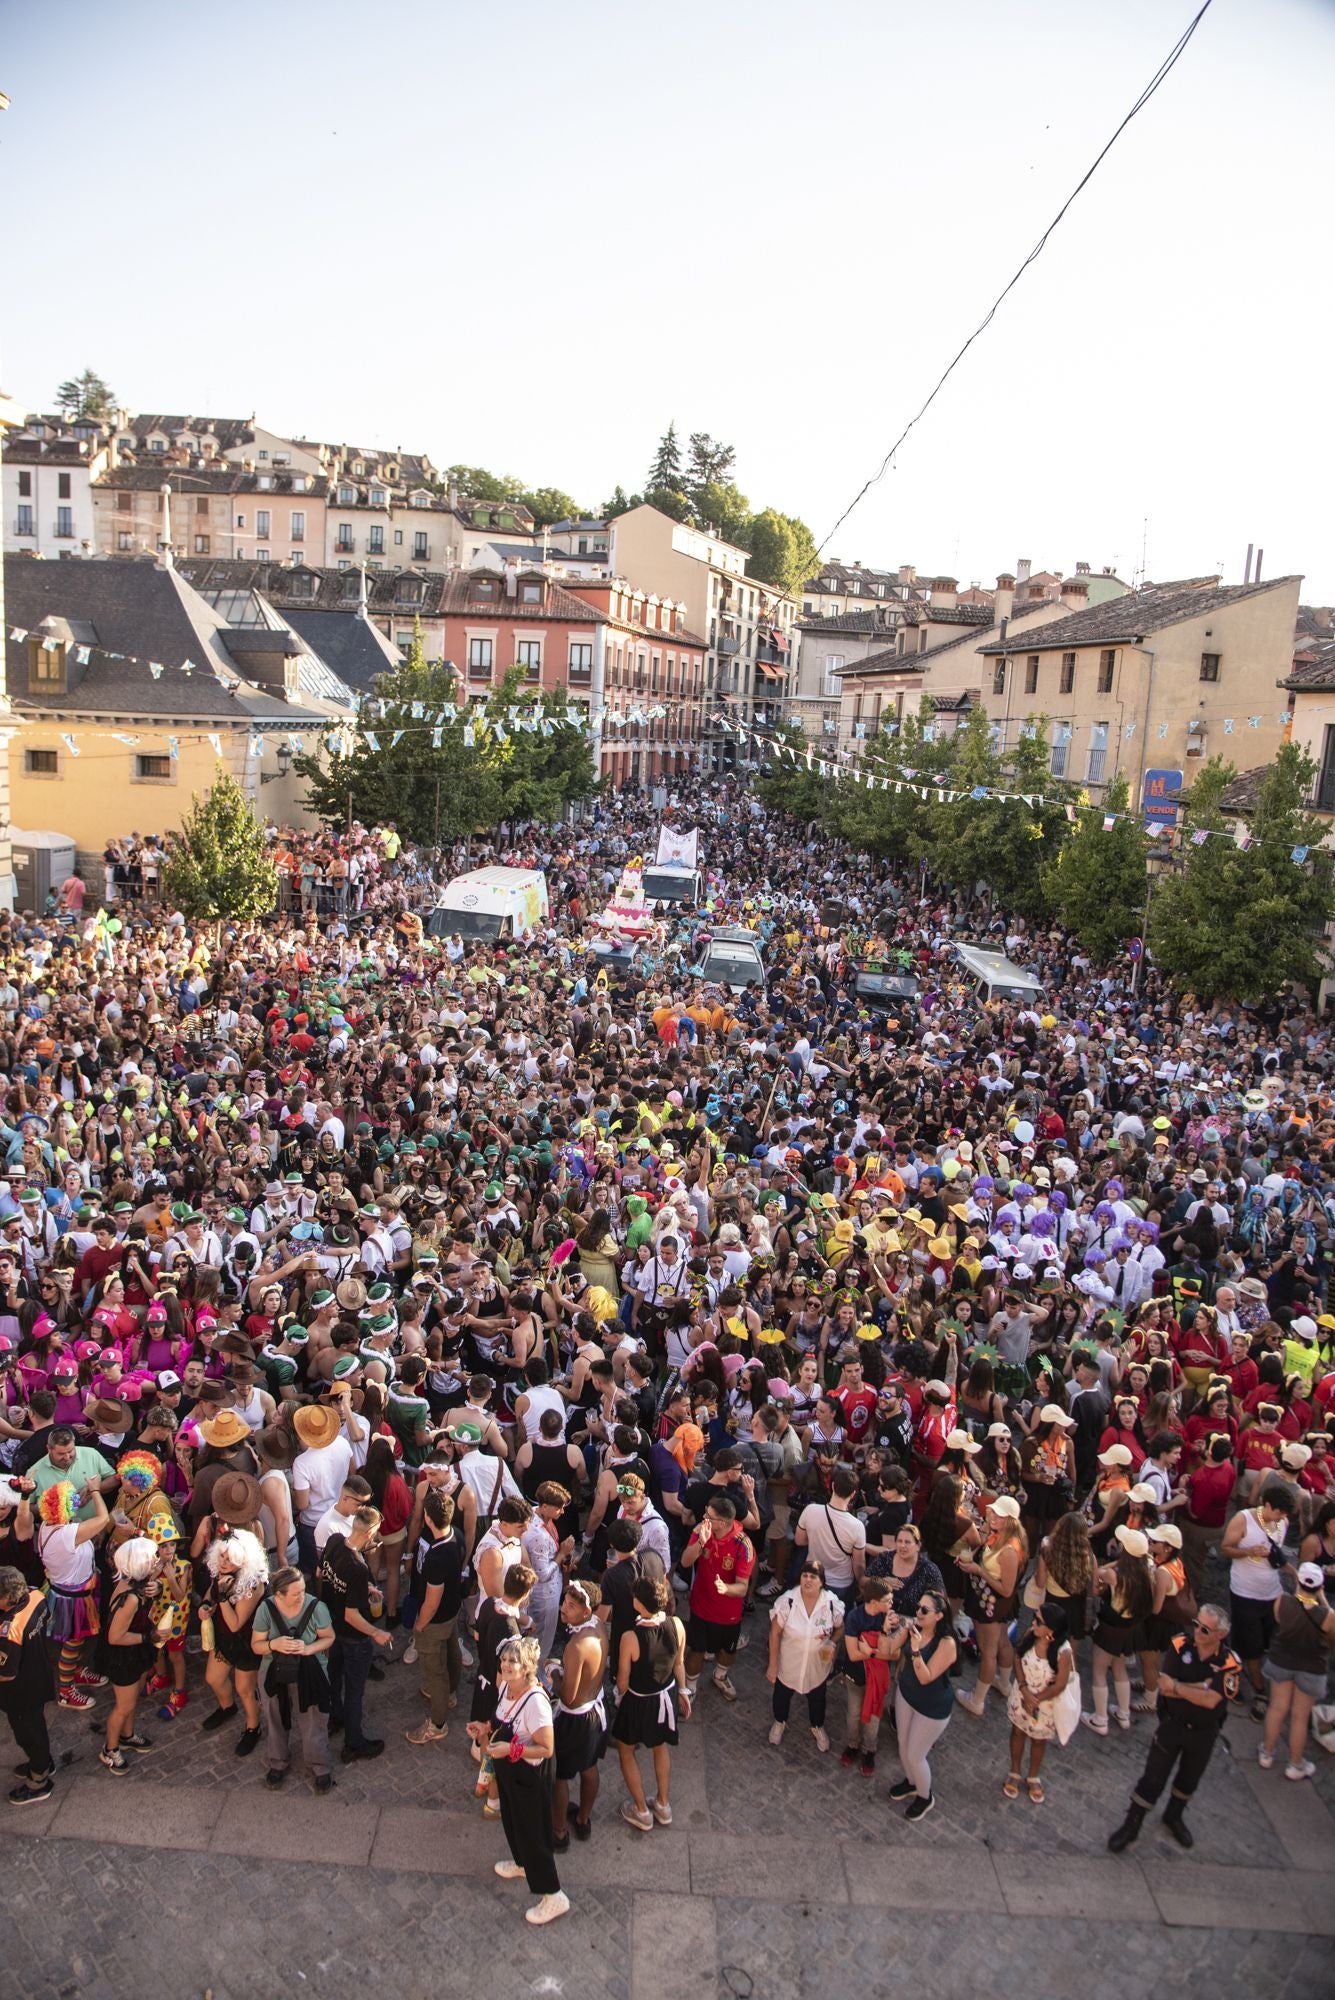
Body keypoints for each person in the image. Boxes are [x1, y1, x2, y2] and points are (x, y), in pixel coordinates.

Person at [1107, 1603, 1242, 1851]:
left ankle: (1174, 1815)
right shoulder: (1181, 1645)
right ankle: (1131, 1825)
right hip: (1173, 1725)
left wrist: (1182, 1688)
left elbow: (1213, 1700)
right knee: (1152, 1778)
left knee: (1189, 1778)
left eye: (1205, 1629)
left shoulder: (1229, 1663)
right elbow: (1165, 1685)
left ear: (1220, 1635)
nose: (1198, 1632)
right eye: (1196, 1625)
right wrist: (1201, 1687)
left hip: (1204, 1732)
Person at [486, 1634, 569, 1927]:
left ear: (527, 1667)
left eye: (513, 1661)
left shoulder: (536, 1703)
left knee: (534, 1832)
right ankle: (522, 1863)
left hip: (529, 1775)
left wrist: (511, 1749)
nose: (506, 1665)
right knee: (512, 1819)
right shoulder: (506, 1687)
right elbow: (501, 1721)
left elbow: (546, 1748)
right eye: (505, 1659)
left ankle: (553, 1895)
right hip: (510, 1770)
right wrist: (483, 1728)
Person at [611, 1570, 689, 1829]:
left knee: (626, 1751)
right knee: (660, 1746)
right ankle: (663, 1804)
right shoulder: (677, 1625)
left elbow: (623, 1679)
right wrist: (683, 1692)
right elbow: (679, 1664)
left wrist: (618, 1698)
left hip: (637, 1701)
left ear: (638, 1604)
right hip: (664, 1698)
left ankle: (642, 1810)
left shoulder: (630, 1638)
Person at [316, 1504, 393, 1761]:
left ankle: (334, 1719)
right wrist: (376, 1633)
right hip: (353, 1636)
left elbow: (320, 1573)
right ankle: (354, 1742)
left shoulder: (336, 1541)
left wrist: (364, 1589)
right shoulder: (358, 1569)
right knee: (354, 1690)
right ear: (370, 1533)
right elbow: (353, 1615)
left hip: (332, 1627)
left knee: (334, 1677)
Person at [252, 1563, 337, 1791]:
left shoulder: (316, 1607)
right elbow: (256, 1645)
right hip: (273, 1671)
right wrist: (274, 1644)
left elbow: (329, 1637)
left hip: (310, 1672)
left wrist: (308, 1649)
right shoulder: (266, 1609)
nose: (303, 1596)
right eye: (296, 1593)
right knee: (274, 1716)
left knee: (313, 1719)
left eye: (303, 1590)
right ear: (279, 1594)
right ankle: (277, 1761)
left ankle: (320, 1766)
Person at [1221, 1487, 1299, 1717]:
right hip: (1245, 1593)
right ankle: (1258, 1689)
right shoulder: (1242, 1519)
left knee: (1264, 1642)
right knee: (1249, 1645)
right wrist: (1248, 1551)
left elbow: (1276, 1558)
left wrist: (1294, 1573)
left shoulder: (1281, 1524)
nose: (1283, 1519)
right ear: (1267, 1506)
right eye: (1280, 1513)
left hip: (1271, 1593)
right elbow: (1225, 1548)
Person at [880, 1589, 957, 1822]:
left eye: (925, 1610)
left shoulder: (947, 1643)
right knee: (903, 1743)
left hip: (932, 1707)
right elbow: (887, 1651)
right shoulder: (912, 1627)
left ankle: (925, 1796)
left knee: (916, 1754)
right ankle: (911, 1782)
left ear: (939, 1616)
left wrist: (914, 1650)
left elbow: (926, 1677)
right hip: (906, 1694)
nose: (918, 1613)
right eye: (918, 1608)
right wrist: (886, 1630)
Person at [1258, 1560, 1335, 1781]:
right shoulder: (1328, 1615)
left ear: (1298, 1581)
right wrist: (1321, 1598)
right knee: (1300, 1717)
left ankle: (1267, 1753)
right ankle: (1295, 1763)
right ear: (1320, 1586)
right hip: (1312, 1667)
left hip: (1282, 1660)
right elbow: (1331, 1636)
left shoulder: (1282, 1601)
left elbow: (1279, 1621)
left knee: (1277, 1707)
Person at [549, 1578, 609, 1847]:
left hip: (575, 1720)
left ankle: (559, 1832)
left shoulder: (576, 1646)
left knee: (560, 1776)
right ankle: (583, 1820)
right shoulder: (598, 1625)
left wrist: (554, 1674)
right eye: (564, 1602)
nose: (564, 1609)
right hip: (596, 1710)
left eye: (571, 1606)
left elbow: (569, 1698)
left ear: (586, 1611)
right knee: (589, 1766)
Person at [199, 1527, 268, 1757]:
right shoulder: (221, 1572)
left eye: (230, 1558)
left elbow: (237, 1623)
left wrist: (222, 1598)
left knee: (245, 1689)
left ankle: (253, 1727)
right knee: (213, 1678)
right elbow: (210, 1592)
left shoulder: (254, 1583)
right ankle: (227, 1708)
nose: (224, 1562)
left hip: (246, 1641)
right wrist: (206, 1605)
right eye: (221, 1556)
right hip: (223, 1636)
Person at [680, 1493, 755, 1705]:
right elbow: (685, 1562)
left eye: (709, 1515)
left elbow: (742, 1588)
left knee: (727, 1650)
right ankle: (690, 1686)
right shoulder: (702, 1532)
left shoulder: (743, 1545)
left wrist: (726, 1588)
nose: (704, 1517)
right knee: (696, 1650)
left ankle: (720, 1676)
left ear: (721, 1523)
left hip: (728, 1614)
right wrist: (700, 1543)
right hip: (701, 1606)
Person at [405, 1488, 465, 1747]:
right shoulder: (458, 1536)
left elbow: (431, 1599)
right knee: (452, 1651)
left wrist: (420, 1624)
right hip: (453, 1610)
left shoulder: (437, 1556)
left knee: (434, 1671)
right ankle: (451, 1694)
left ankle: (437, 1723)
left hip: (437, 1618)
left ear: (428, 1518)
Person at [766, 1557, 843, 1751]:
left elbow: (840, 1628)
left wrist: (832, 1643)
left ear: (822, 1582)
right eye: (805, 1575)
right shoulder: (788, 1601)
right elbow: (775, 1633)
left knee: (817, 1698)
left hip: (817, 1667)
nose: (808, 1580)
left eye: (813, 1577)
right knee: (782, 1696)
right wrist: (773, 1664)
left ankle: (817, 1726)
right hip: (789, 1664)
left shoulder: (831, 1604)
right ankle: (780, 1721)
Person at [1004, 1603, 1077, 1803]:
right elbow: (1017, 1658)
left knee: (1038, 1740)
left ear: (1051, 1630)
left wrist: (1036, 1700)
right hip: (1022, 1695)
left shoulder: (1063, 1651)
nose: (1034, 1622)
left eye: (1039, 1621)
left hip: (1044, 1704)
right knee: (1018, 1732)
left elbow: (1060, 1683)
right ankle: (1015, 1770)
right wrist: (1024, 1689)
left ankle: (1033, 1775)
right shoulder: (1031, 1634)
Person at [98, 1536, 159, 1774]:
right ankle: (110, 1749)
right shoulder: (130, 1598)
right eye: (152, 1557)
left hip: (134, 1653)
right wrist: (147, 1638)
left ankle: (128, 1735)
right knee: (123, 1706)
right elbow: (115, 1637)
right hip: (124, 1657)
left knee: (131, 1701)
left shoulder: (131, 1584)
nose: (155, 1561)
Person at [0, 1563, 57, 1805]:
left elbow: (7, 1673)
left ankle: (39, 1780)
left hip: (20, 1692)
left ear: (5, 1599)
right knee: (37, 1727)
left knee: (28, 1734)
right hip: (40, 1676)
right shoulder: (36, 1597)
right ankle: (43, 1762)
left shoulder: (10, 1628)